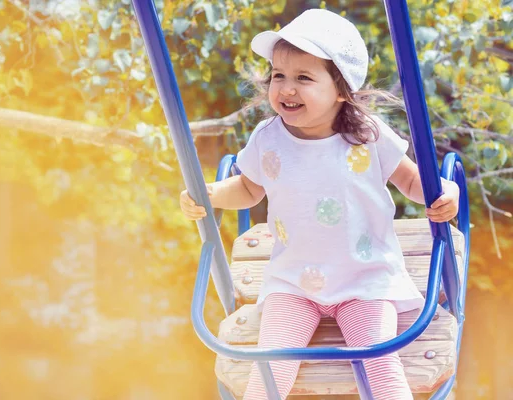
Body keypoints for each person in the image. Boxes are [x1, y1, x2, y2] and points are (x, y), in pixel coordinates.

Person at [179, 8, 460, 400]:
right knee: (269, 373)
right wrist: (211, 196)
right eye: (279, 75)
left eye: (303, 78)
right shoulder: (268, 138)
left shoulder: (368, 135)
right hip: (293, 281)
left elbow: (412, 179)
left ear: (341, 89)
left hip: (363, 279)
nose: (286, 89)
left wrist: (446, 192)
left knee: (380, 366)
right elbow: (248, 189)